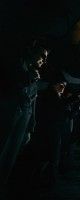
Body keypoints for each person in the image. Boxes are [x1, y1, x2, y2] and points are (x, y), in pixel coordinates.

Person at [0, 41, 48, 187]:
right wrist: (28, 78)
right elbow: (11, 88)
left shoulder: (35, 74)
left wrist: (31, 123)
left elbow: (34, 100)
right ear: (32, 53)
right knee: (3, 147)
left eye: (46, 58)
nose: (44, 60)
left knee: (12, 154)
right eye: (42, 56)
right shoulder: (17, 66)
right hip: (10, 112)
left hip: (24, 117)